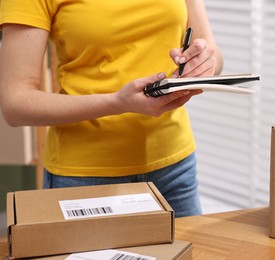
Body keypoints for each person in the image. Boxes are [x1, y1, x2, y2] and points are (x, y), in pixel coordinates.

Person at [0, 0, 223, 217]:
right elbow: (16, 103)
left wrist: (204, 63)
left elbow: (213, 55)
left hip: (175, 167)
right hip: (85, 178)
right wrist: (117, 103)